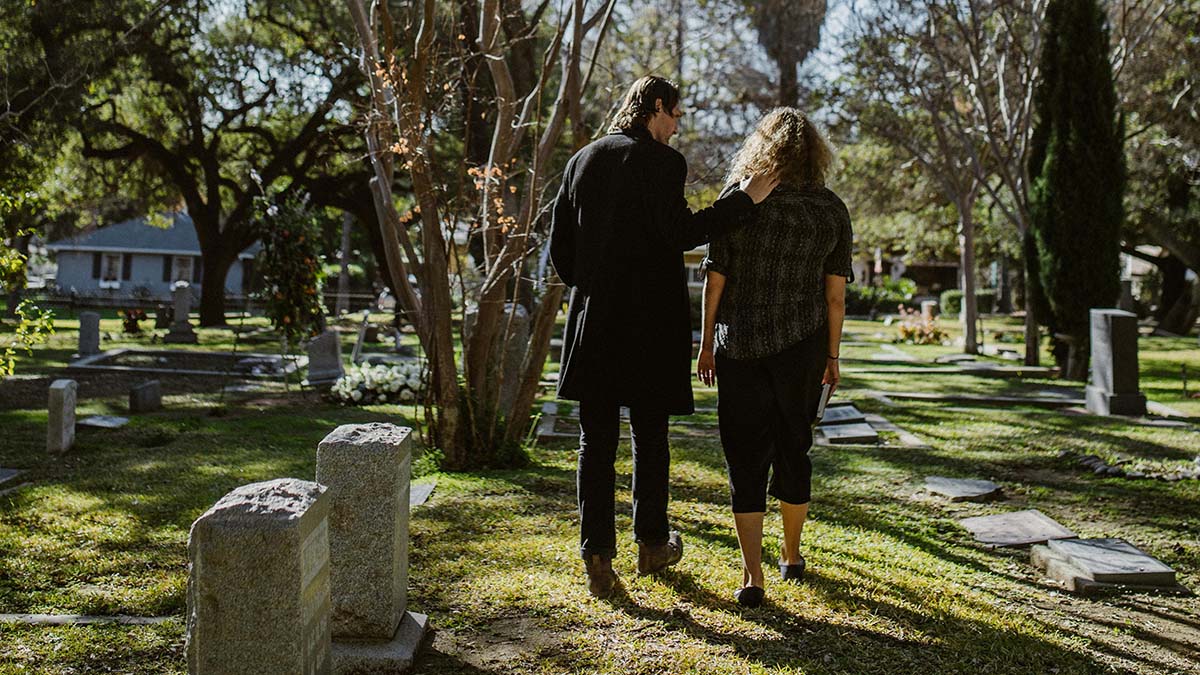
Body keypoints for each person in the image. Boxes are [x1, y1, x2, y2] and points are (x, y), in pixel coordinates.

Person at [550, 76, 780, 599]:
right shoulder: (661, 162)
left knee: (595, 440)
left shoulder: (582, 160)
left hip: (595, 320)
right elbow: (682, 233)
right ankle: (652, 544)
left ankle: (597, 556)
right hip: (650, 324)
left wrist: (593, 285)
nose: (677, 126)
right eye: (676, 115)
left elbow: (561, 247)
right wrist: (746, 199)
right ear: (657, 107)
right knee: (649, 436)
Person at [696, 107, 853, 608]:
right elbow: (835, 296)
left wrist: (704, 344)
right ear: (815, 153)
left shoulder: (740, 202)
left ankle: (752, 575)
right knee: (793, 447)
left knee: (744, 455)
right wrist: (832, 355)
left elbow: (714, 278)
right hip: (803, 346)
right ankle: (791, 554)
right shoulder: (830, 209)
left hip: (738, 343)